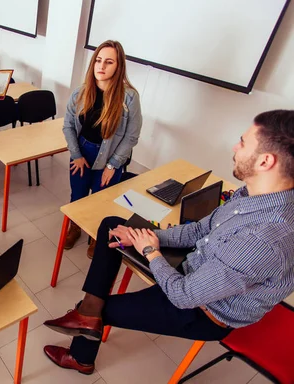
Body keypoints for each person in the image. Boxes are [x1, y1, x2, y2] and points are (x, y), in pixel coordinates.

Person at [42, 110, 294, 375]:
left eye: (243, 142)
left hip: (202, 311)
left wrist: (151, 251)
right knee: (112, 227)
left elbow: (184, 296)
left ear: (266, 161)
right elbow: (200, 229)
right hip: (199, 268)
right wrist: (145, 237)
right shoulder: (254, 194)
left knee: (96, 311)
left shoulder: (263, 240)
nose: (235, 146)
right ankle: (87, 313)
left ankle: (82, 349)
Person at [62, 40, 143, 258]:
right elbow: (68, 125)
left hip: (110, 157)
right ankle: (75, 227)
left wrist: (113, 165)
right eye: (98, 60)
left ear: (119, 66)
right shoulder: (80, 93)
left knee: (100, 200)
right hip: (83, 152)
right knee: (78, 195)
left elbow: (131, 136)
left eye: (109, 62)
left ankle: (94, 235)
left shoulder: (129, 97)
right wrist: (76, 155)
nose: (102, 66)